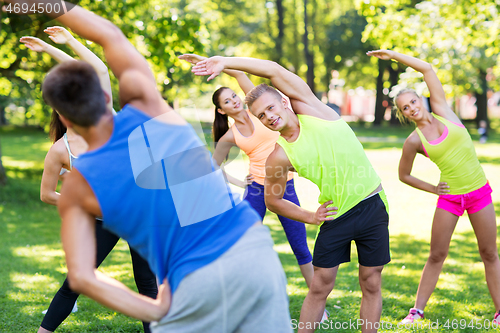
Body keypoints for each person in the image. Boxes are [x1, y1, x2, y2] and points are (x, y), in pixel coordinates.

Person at [10, 1, 291, 332]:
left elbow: (83, 277)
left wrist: (157, 308)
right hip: (249, 249)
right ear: (104, 97)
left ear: (63, 116)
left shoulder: (77, 188)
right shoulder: (147, 105)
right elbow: (108, 35)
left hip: (189, 279)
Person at [191, 56, 390, 333]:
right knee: (320, 286)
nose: (269, 117)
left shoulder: (312, 109)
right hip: (335, 215)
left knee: (371, 280)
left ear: (284, 102)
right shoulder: (279, 156)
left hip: (372, 205)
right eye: (262, 115)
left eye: (271, 108)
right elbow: (273, 201)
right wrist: (310, 215)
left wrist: (224, 62)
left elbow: (272, 70)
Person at [22, 27, 158, 333]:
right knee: (75, 280)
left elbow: (96, 68)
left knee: (147, 285)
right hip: (102, 220)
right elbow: (47, 194)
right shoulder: (61, 150)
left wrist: (63, 44)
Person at [367, 49, 500, 324]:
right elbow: (404, 175)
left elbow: (427, 68)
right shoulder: (414, 142)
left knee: (489, 253)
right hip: (450, 199)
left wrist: (393, 55)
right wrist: (432, 188)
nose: (412, 107)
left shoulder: (443, 111)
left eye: (413, 101)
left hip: (478, 193)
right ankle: (416, 310)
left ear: (420, 100)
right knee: (436, 254)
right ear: (403, 114)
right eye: (405, 107)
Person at [180, 54, 316, 295]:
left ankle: (319, 302)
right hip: (256, 191)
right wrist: (238, 182)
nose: (234, 100)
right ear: (222, 111)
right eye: (227, 101)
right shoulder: (230, 136)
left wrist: (210, 61)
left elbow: (240, 73)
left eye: (233, 96)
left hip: (284, 187)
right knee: (242, 245)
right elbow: (213, 167)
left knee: (300, 247)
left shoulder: (258, 111)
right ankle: (239, 297)